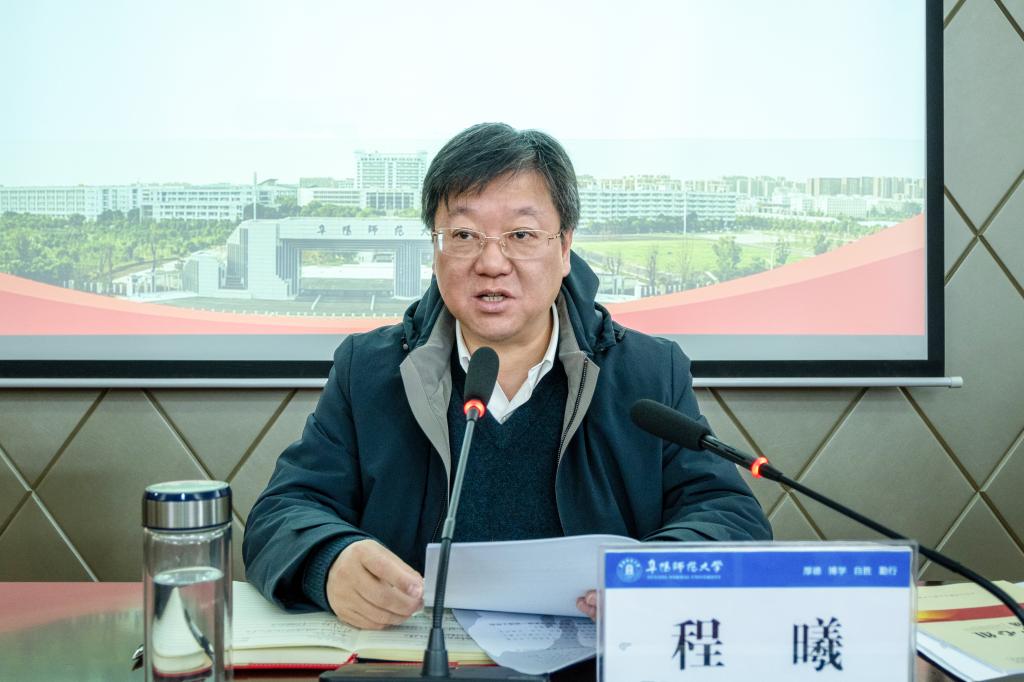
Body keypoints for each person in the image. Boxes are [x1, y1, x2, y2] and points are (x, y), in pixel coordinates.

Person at [243, 122, 772, 629]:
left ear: (564, 248)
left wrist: (650, 576)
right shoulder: (369, 369)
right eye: (464, 234)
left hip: (592, 660)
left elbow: (729, 516)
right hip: (417, 659)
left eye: (521, 234)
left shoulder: (648, 372)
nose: (492, 263)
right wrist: (328, 561)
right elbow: (282, 512)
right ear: (435, 248)